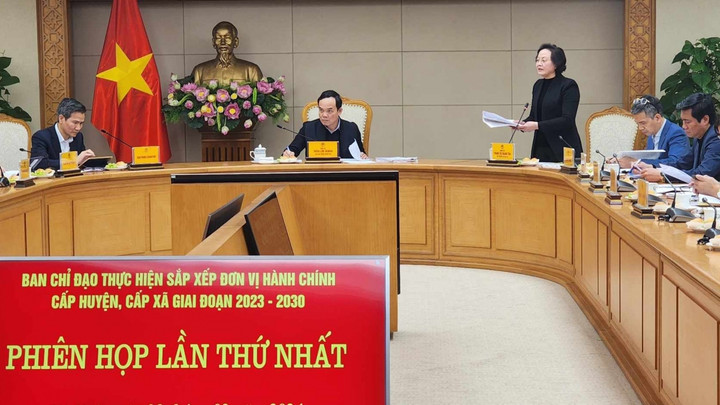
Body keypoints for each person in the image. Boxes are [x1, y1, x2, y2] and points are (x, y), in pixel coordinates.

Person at [516, 43, 582, 161]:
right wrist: (521, 124)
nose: (539, 64)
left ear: (556, 63)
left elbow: (567, 120)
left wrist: (537, 125)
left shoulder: (568, 85)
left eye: (544, 60)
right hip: (540, 146)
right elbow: (534, 116)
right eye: (537, 60)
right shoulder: (538, 85)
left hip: (562, 146)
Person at [638, 93, 720, 182]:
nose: (683, 126)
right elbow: (682, 163)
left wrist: (662, 175)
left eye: (687, 122)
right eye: (682, 121)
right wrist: (653, 166)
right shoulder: (699, 136)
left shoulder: (716, 139)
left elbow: (702, 173)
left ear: (705, 120)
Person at [283, 90, 368, 159]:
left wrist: (363, 156)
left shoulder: (351, 128)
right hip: (317, 173)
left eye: (329, 111)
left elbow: (361, 154)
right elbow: (292, 149)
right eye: (321, 110)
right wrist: (288, 153)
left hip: (344, 174)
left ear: (339, 111)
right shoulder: (309, 128)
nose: (324, 115)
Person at [613, 95, 689, 168]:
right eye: (638, 124)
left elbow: (676, 162)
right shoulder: (652, 133)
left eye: (643, 123)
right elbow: (650, 160)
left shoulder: (676, 133)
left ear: (657, 118)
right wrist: (620, 161)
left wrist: (636, 162)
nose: (640, 128)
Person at [191, 21, 263, 86]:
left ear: (236, 42)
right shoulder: (199, 71)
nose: (223, 42)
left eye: (227, 37)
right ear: (213, 42)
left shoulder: (252, 70)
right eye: (218, 38)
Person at [31, 97, 95, 169]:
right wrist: (74, 161)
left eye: (81, 123)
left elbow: (81, 163)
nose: (78, 128)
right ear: (61, 119)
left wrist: (90, 159)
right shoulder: (42, 137)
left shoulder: (78, 137)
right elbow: (40, 164)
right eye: (75, 123)